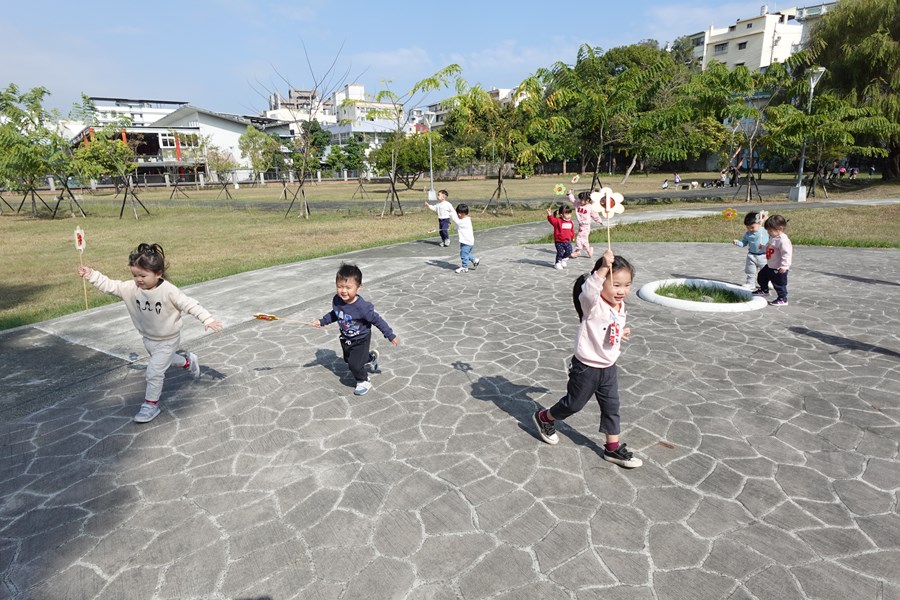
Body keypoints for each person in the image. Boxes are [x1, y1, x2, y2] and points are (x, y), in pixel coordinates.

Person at [78, 243, 223, 423]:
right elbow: (110, 285)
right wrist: (92, 274)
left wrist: (207, 319)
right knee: (163, 362)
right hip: (148, 339)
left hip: (168, 339)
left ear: (158, 273)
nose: (138, 279)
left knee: (154, 372)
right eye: (135, 275)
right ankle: (187, 361)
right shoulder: (130, 288)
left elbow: (190, 304)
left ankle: (150, 405)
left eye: (143, 275)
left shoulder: (169, 291)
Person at [532, 249, 642, 468]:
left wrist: (618, 333)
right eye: (616, 285)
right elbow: (588, 292)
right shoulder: (592, 304)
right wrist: (602, 268)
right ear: (601, 283)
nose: (622, 291)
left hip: (608, 366)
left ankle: (612, 449)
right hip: (586, 367)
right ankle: (545, 417)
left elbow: (606, 327)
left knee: (612, 407)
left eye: (627, 285)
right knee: (574, 404)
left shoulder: (619, 306)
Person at [313, 263, 399, 395]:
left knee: (354, 365)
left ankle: (363, 381)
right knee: (349, 359)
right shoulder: (337, 300)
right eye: (340, 286)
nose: (343, 291)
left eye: (348, 287)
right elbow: (335, 314)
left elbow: (377, 320)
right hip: (346, 338)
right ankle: (371, 357)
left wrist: (390, 335)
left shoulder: (362, 308)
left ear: (359, 287)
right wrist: (322, 321)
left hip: (361, 339)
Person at [752, 214, 793, 306]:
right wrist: (763, 247)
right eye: (768, 231)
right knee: (762, 276)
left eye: (771, 231)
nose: (769, 233)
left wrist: (784, 266)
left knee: (779, 284)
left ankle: (782, 298)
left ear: (780, 229)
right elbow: (769, 247)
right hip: (770, 265)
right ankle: (764, 290)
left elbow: (786, 254)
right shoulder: (773, 237)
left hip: (778, 268)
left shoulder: (783, 240)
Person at [732, 211, 769, 288]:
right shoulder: (748, 234)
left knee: (766, 271)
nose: (750, 229)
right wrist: (738, 243)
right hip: (751, 255)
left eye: (752, 227)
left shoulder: (765, 231)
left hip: (763, 255)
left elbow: (772, 237)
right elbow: (744, 243)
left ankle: (768, 283)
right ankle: (750, 283)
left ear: (759, 223)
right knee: (750, 271)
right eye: (748, 228)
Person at [568, 190, 603, 259]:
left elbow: (595, 215)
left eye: (583, 200)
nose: (581, 201)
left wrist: (599, 220)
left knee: (579, 238)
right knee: (583, 238)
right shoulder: (578, 204)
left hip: (586, 226)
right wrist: (569, 194)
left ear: (587, 200)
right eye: (580, 199)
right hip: (581, 226)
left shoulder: (590, 207)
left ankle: (578, 251)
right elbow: (573, 200)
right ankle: (588, 250)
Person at [450, 203, 480, 273]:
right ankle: (475, 260)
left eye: (457, 214)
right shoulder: (465, 220)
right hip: (466, 241)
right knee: (464, 253)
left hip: (467, 242)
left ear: (460, 214)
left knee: (463, 254)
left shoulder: (465, 221)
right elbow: (459, 226)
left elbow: (458, 222)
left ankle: (464, 267)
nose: (457, 216)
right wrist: (456, 228)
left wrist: (451, 214)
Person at [547, 205, 576, 270]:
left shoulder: (570, 222)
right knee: (560, 252)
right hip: (559, 241)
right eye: (567, 213)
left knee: (569, 251)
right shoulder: (558, 221)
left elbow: (572, 230)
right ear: (561, 214)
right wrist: (549, 214)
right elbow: (552, 220)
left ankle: (563, 259)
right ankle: (557, 262)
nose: (569, 215)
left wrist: (573, 236)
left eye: (570, 213)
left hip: (567, 241)